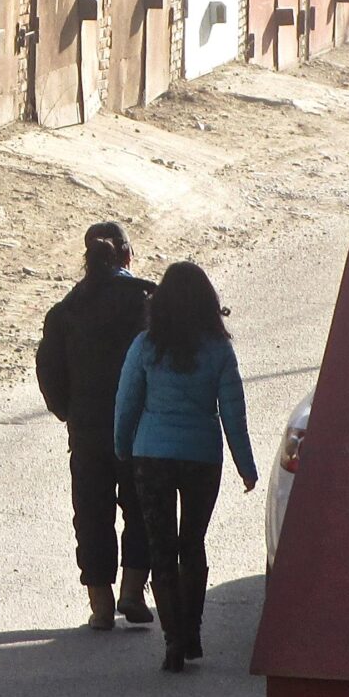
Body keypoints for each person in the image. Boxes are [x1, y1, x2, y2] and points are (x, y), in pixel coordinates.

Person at [114, 261, 257, 671]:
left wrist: (123, 446)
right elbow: (233, 411)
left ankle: (173, 640)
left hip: (152, 457)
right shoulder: (217, 349)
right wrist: (245, 464)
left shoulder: (145, 345)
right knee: (192, 544)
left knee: (161, 549)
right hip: (200, 458)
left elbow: (127, 402)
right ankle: (192, 629)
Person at [36, 222, 157, 631]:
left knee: (91, 511)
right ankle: (133, 591)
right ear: (127, 255)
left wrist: (68, 412)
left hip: (88, 429)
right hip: (141, 423)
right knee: (141, 507)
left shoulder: (66, 310)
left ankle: (101, 604)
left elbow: (49, 371)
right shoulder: (146, 300)